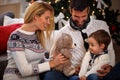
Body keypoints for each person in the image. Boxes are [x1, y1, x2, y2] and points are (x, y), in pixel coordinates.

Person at [44, 0, 115, 80]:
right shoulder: (62, 33)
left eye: (83, 16)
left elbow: (110, 50)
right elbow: (52, 57)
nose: (80, 21)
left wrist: (110, 66)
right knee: (50, 76)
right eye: (76, 16)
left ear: (88, 10)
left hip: (97, 70)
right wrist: (73, 69)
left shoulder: (101, 25)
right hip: (75, 73)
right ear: (71, 10)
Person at [3, 1, 68, 80]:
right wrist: (52, 63)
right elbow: (24, 70)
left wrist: (54, 60)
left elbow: (39, 61)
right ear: (36, 17)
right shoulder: (16, 37)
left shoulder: (38, 35)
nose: (48, 22)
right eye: (46, 18)